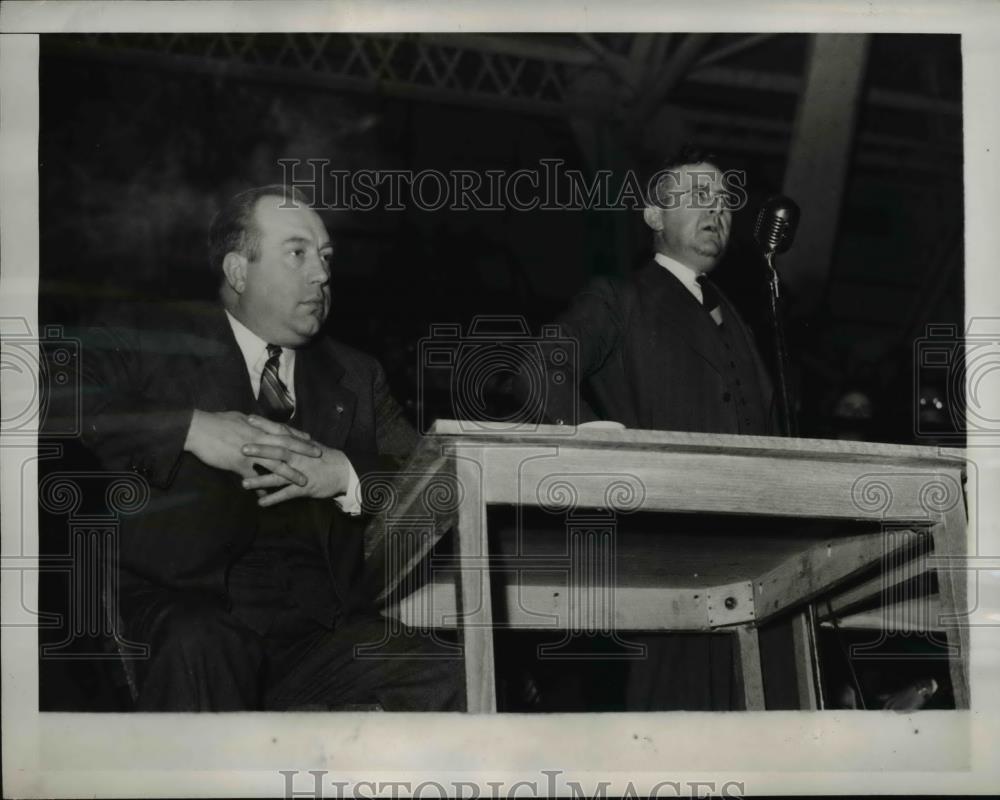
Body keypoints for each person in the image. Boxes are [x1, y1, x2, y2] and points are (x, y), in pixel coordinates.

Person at [80, 185, 464, 711]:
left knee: (450, 674)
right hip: (187, 622)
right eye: (298, 253)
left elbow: (439, 481)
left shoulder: (356, 375)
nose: (322, 274)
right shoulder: (155, 338)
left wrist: (346, 473)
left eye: (326, 257)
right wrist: (190, 428)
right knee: (205, 646)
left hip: (315, 638)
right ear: (238, 272)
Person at [520, 146, 778, 710]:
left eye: (725, 202)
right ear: (654, 215)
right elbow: (541, 366)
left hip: (746, 564)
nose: (717, 211)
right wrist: (590, 437)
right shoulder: (621, 299)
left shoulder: (741, 317)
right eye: (697, 197)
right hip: (659, 554)